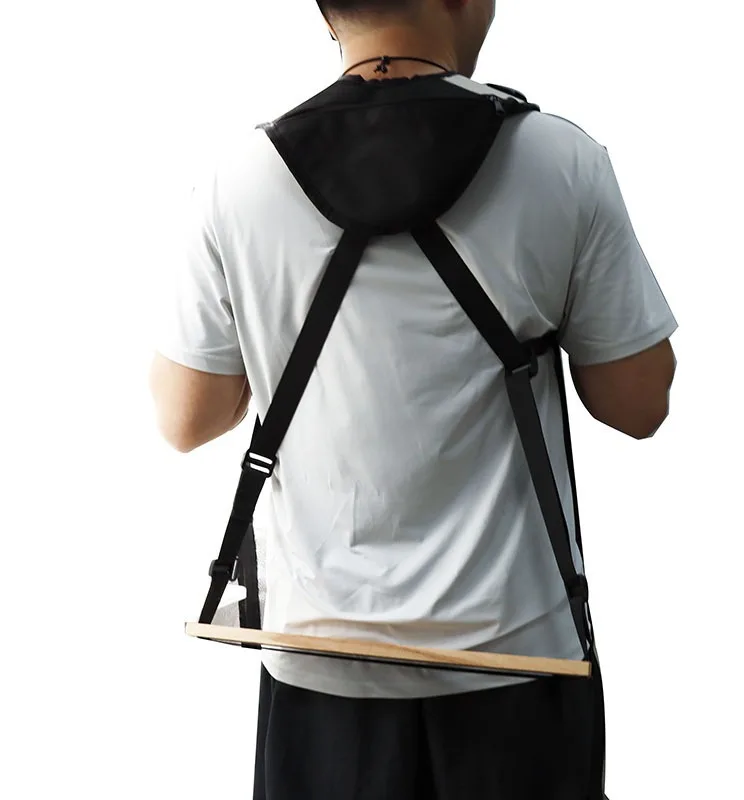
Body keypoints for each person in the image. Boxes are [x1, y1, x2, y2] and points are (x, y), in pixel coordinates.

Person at [149, 1, 679, 797]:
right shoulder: (560, 162)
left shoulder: (240, 180)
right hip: (520, 658)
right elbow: (638, 405)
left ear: (324, 10)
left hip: (319, 660)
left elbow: (185, 418)